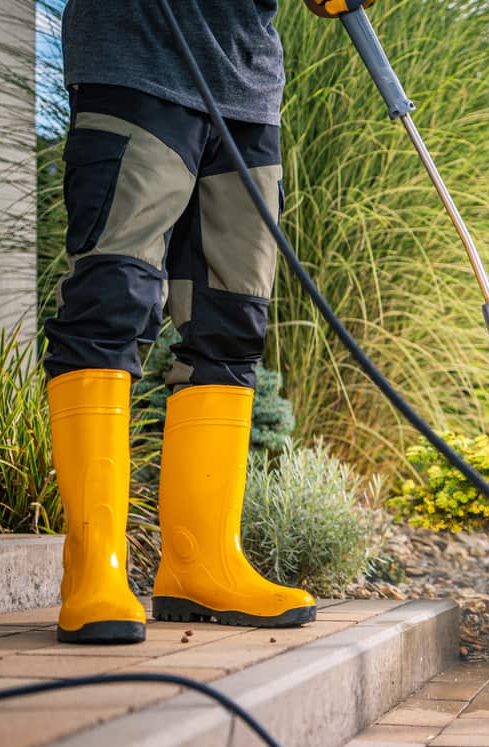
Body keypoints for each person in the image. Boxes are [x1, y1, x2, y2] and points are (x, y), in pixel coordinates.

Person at [46, 0, 355, 644]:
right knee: (113, 300)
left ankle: (199, 560)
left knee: (232, 323)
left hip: (248, 86)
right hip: (137, 58)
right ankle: (93, 569)